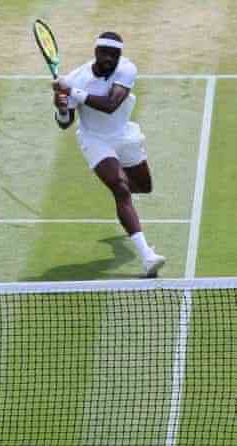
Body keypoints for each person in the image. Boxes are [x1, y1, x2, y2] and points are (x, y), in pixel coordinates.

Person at [53, 31, 166, 278]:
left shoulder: (126, 69)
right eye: (104, 53)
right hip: (94, 139)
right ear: (95, 52)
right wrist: (61, 108)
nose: (109, 59)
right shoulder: (77, 78)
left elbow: (110, 105)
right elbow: (65, 123)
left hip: (124, 135)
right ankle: (147, 256)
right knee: (121, 188)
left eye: (114, 55)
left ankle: (125, 212)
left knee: (143, 187)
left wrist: (70, 92)